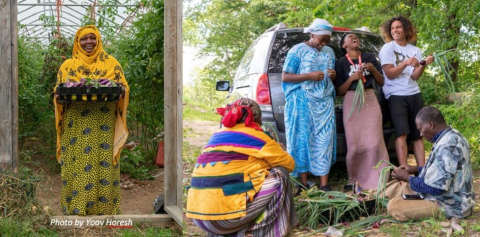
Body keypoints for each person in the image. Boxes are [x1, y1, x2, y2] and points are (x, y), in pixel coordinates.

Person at [186, 98, 297, 237]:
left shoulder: (216, 136)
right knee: (280, 173)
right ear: (256, 119)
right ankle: (259, 233)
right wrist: (280, 148)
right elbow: (289, 164)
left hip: (200, 218)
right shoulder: (258, 136)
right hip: (224, 221)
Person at [54, 25, 129, 215]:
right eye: (84, 39)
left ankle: (104, 210)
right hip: (76, 124)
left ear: (98, 40)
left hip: (104, 123)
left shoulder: (111, 63)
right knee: (77, 162)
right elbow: (58, 92)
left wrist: (120, 90)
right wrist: (60, 96)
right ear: (77, 42)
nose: (89, 42)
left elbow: (124, 89)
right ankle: (75, 209)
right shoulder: (68, 65)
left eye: (92, 38)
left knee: (103, 161)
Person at [385, 106, 475, 222]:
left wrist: (407, 178)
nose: (421, 134)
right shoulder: (449, 136)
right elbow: (440, 173)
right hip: (441, 196)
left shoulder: (447, 146)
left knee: (394, 207)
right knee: (393, 188)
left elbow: (435, 189)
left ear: (431, 125)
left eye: (421, 129)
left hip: (451, 205)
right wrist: (416, 170)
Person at [282, 18, 337, 192]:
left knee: (325, 140)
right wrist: (309, 75)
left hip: (324, 101)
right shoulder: (296, 50)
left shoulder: (329, 51)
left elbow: (331, 77)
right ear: (312, 34)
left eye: (327, 40)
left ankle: (324, 184)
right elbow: (285, 76)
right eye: (322, 39)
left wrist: (333, 75)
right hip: (302, 101)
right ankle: (303, 183)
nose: (324, 43)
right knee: (302, 139)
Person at [334, 33, 389, 190]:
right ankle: (354, 179)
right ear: (344, 45)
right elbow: (339, 91)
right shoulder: (341, 63)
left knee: (375, 142)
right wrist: (351, 79)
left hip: (370, 99)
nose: (354, 37)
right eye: (350, 37)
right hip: (352, 102)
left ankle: (378, 178)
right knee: (355, 145)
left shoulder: (369, 57)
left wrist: (373, 70)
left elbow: (381, 81)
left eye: (355, 36)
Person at [379, 16, 434, 167]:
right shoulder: (388, 48)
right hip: (396, 95)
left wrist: (424, 64)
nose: (395, 30)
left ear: (405, 29)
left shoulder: (415, 50)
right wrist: (405, 62)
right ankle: (403, 170)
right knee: (401, 133)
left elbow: (415, 76)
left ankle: (421, 170)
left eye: (398, 27)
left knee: (418, 134)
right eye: (392, 28)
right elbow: (389, 74)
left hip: (414, 94)